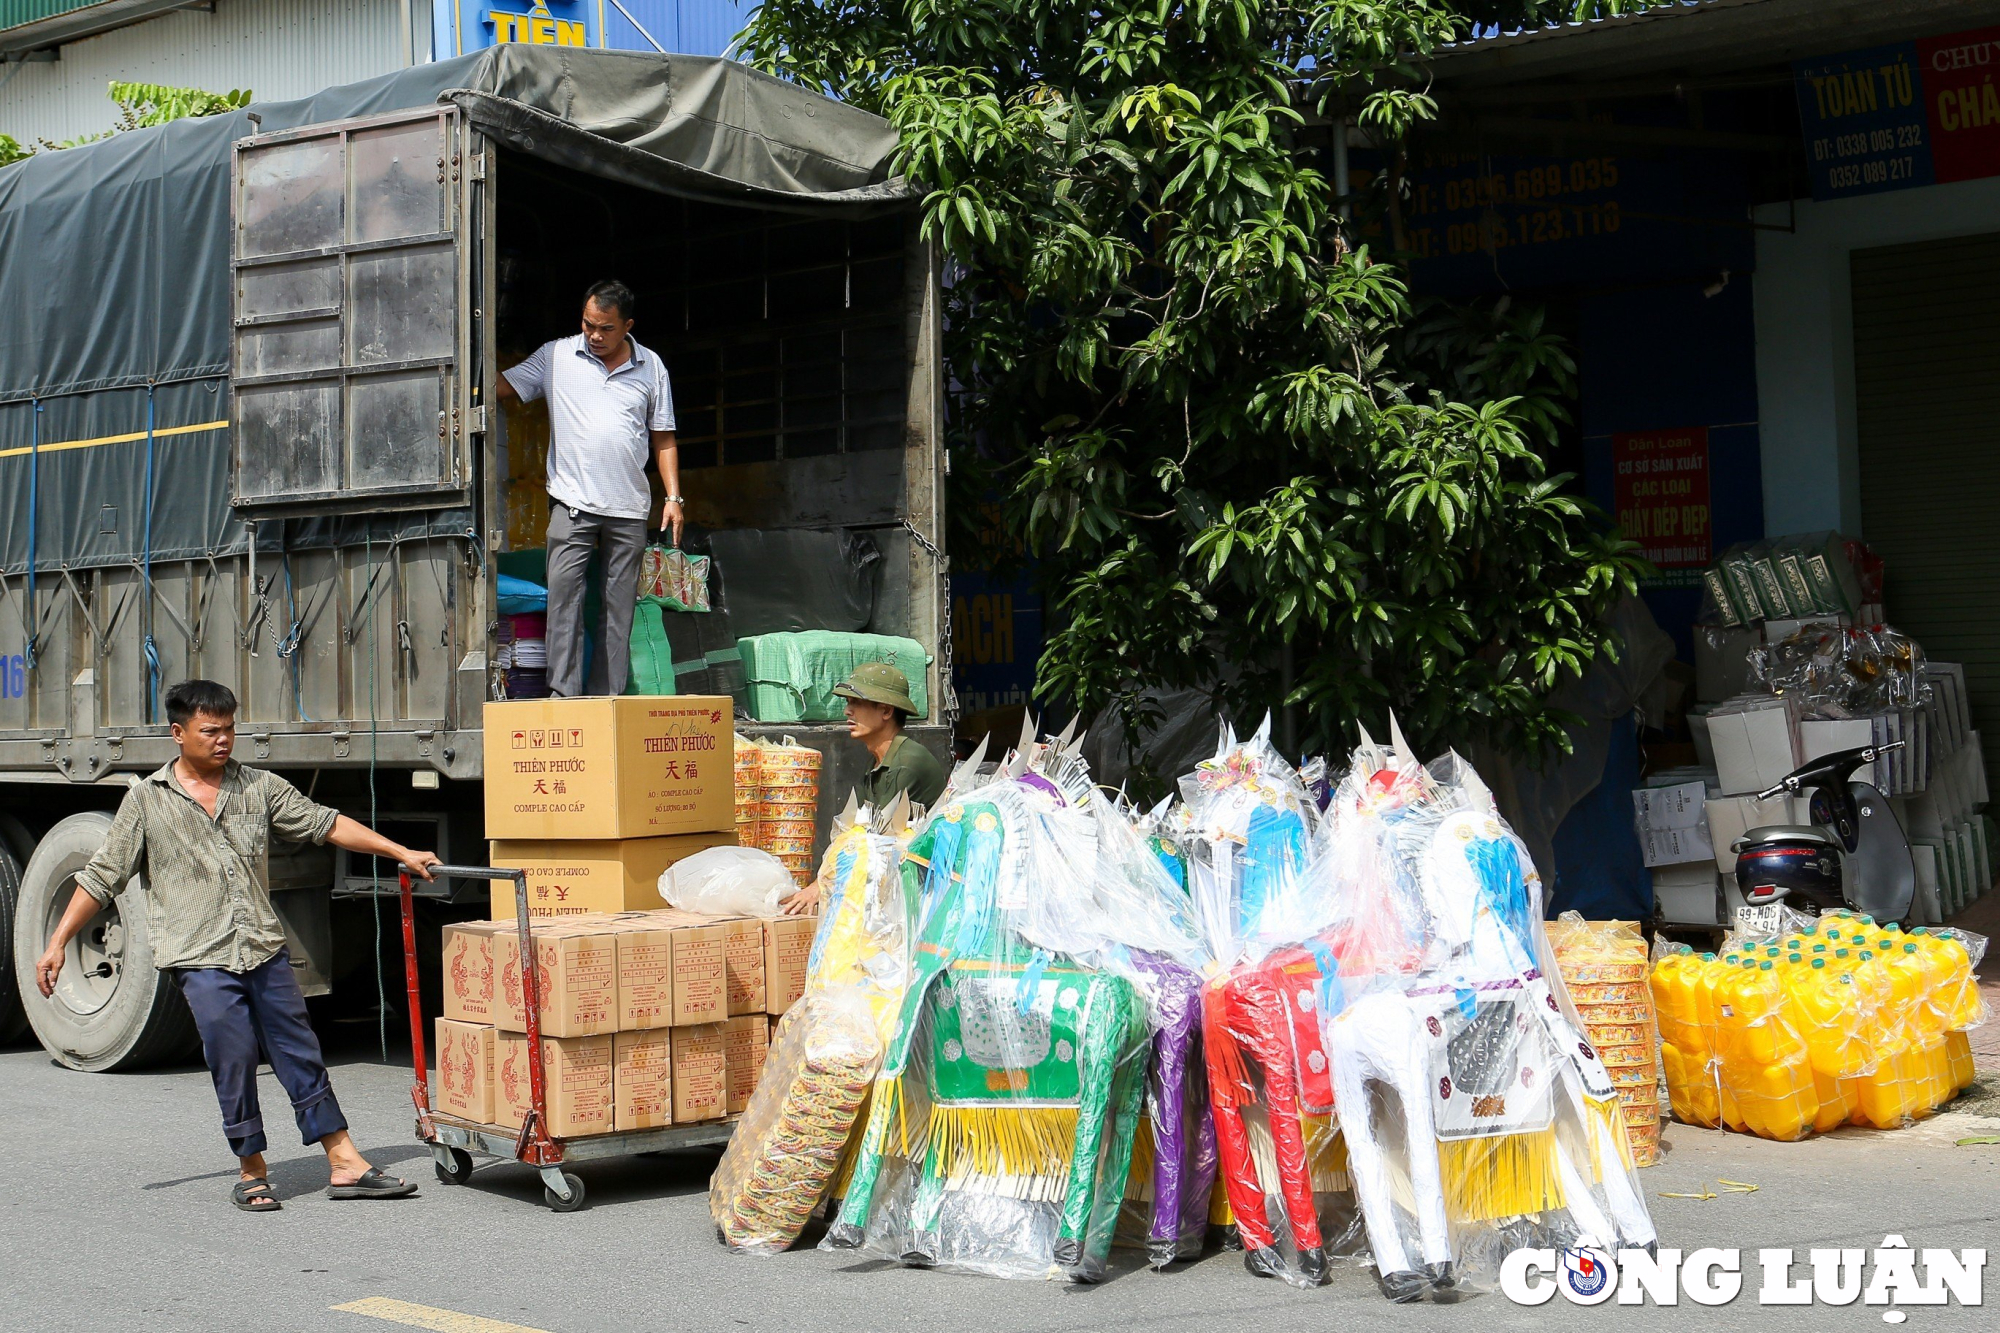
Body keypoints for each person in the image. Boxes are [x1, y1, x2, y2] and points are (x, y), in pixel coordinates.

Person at [34, 679, 443, 1214]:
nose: (224, 740)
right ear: (179, 734)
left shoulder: (258, 787)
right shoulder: (146, 801)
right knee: (233, 1054)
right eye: (211, 731)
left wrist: (398, 850)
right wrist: (58, 941)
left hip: (261, 946)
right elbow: (101, 876)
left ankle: (344, 1160)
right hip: (198, 955)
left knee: (299, 1049)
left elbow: (326, 823)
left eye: (229, 729)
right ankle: (251, 1168)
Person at [496, 278, 683, 697]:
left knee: (618, 611)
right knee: (564, 603)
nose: (595, 335)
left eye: (606, 328)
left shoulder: (651, 366)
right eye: (588, 324)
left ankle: (607, 699)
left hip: (629, 508)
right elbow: (501, 387)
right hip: (572, 504)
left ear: (628, 325)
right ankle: (564, 698)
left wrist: (673, 498)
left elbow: (664, 438)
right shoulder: (556, 355)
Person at [782, 663, 944, 916]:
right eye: (848, 702)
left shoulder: (906, 763)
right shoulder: (879, 760)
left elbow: (875, 843)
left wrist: (821, 886)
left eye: (857, 703)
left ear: (886, 711)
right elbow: (854, 832)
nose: (848, 711)